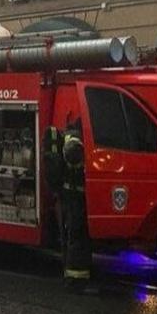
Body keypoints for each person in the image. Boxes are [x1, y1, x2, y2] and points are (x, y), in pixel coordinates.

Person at [58, 119, 93, 293]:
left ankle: (72, 277)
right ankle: (75, 282)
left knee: (74, 237)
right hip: (74, 197)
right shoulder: (74, 140)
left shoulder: (70, 137)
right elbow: (73, 156)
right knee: (77, 237)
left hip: (71, 196)